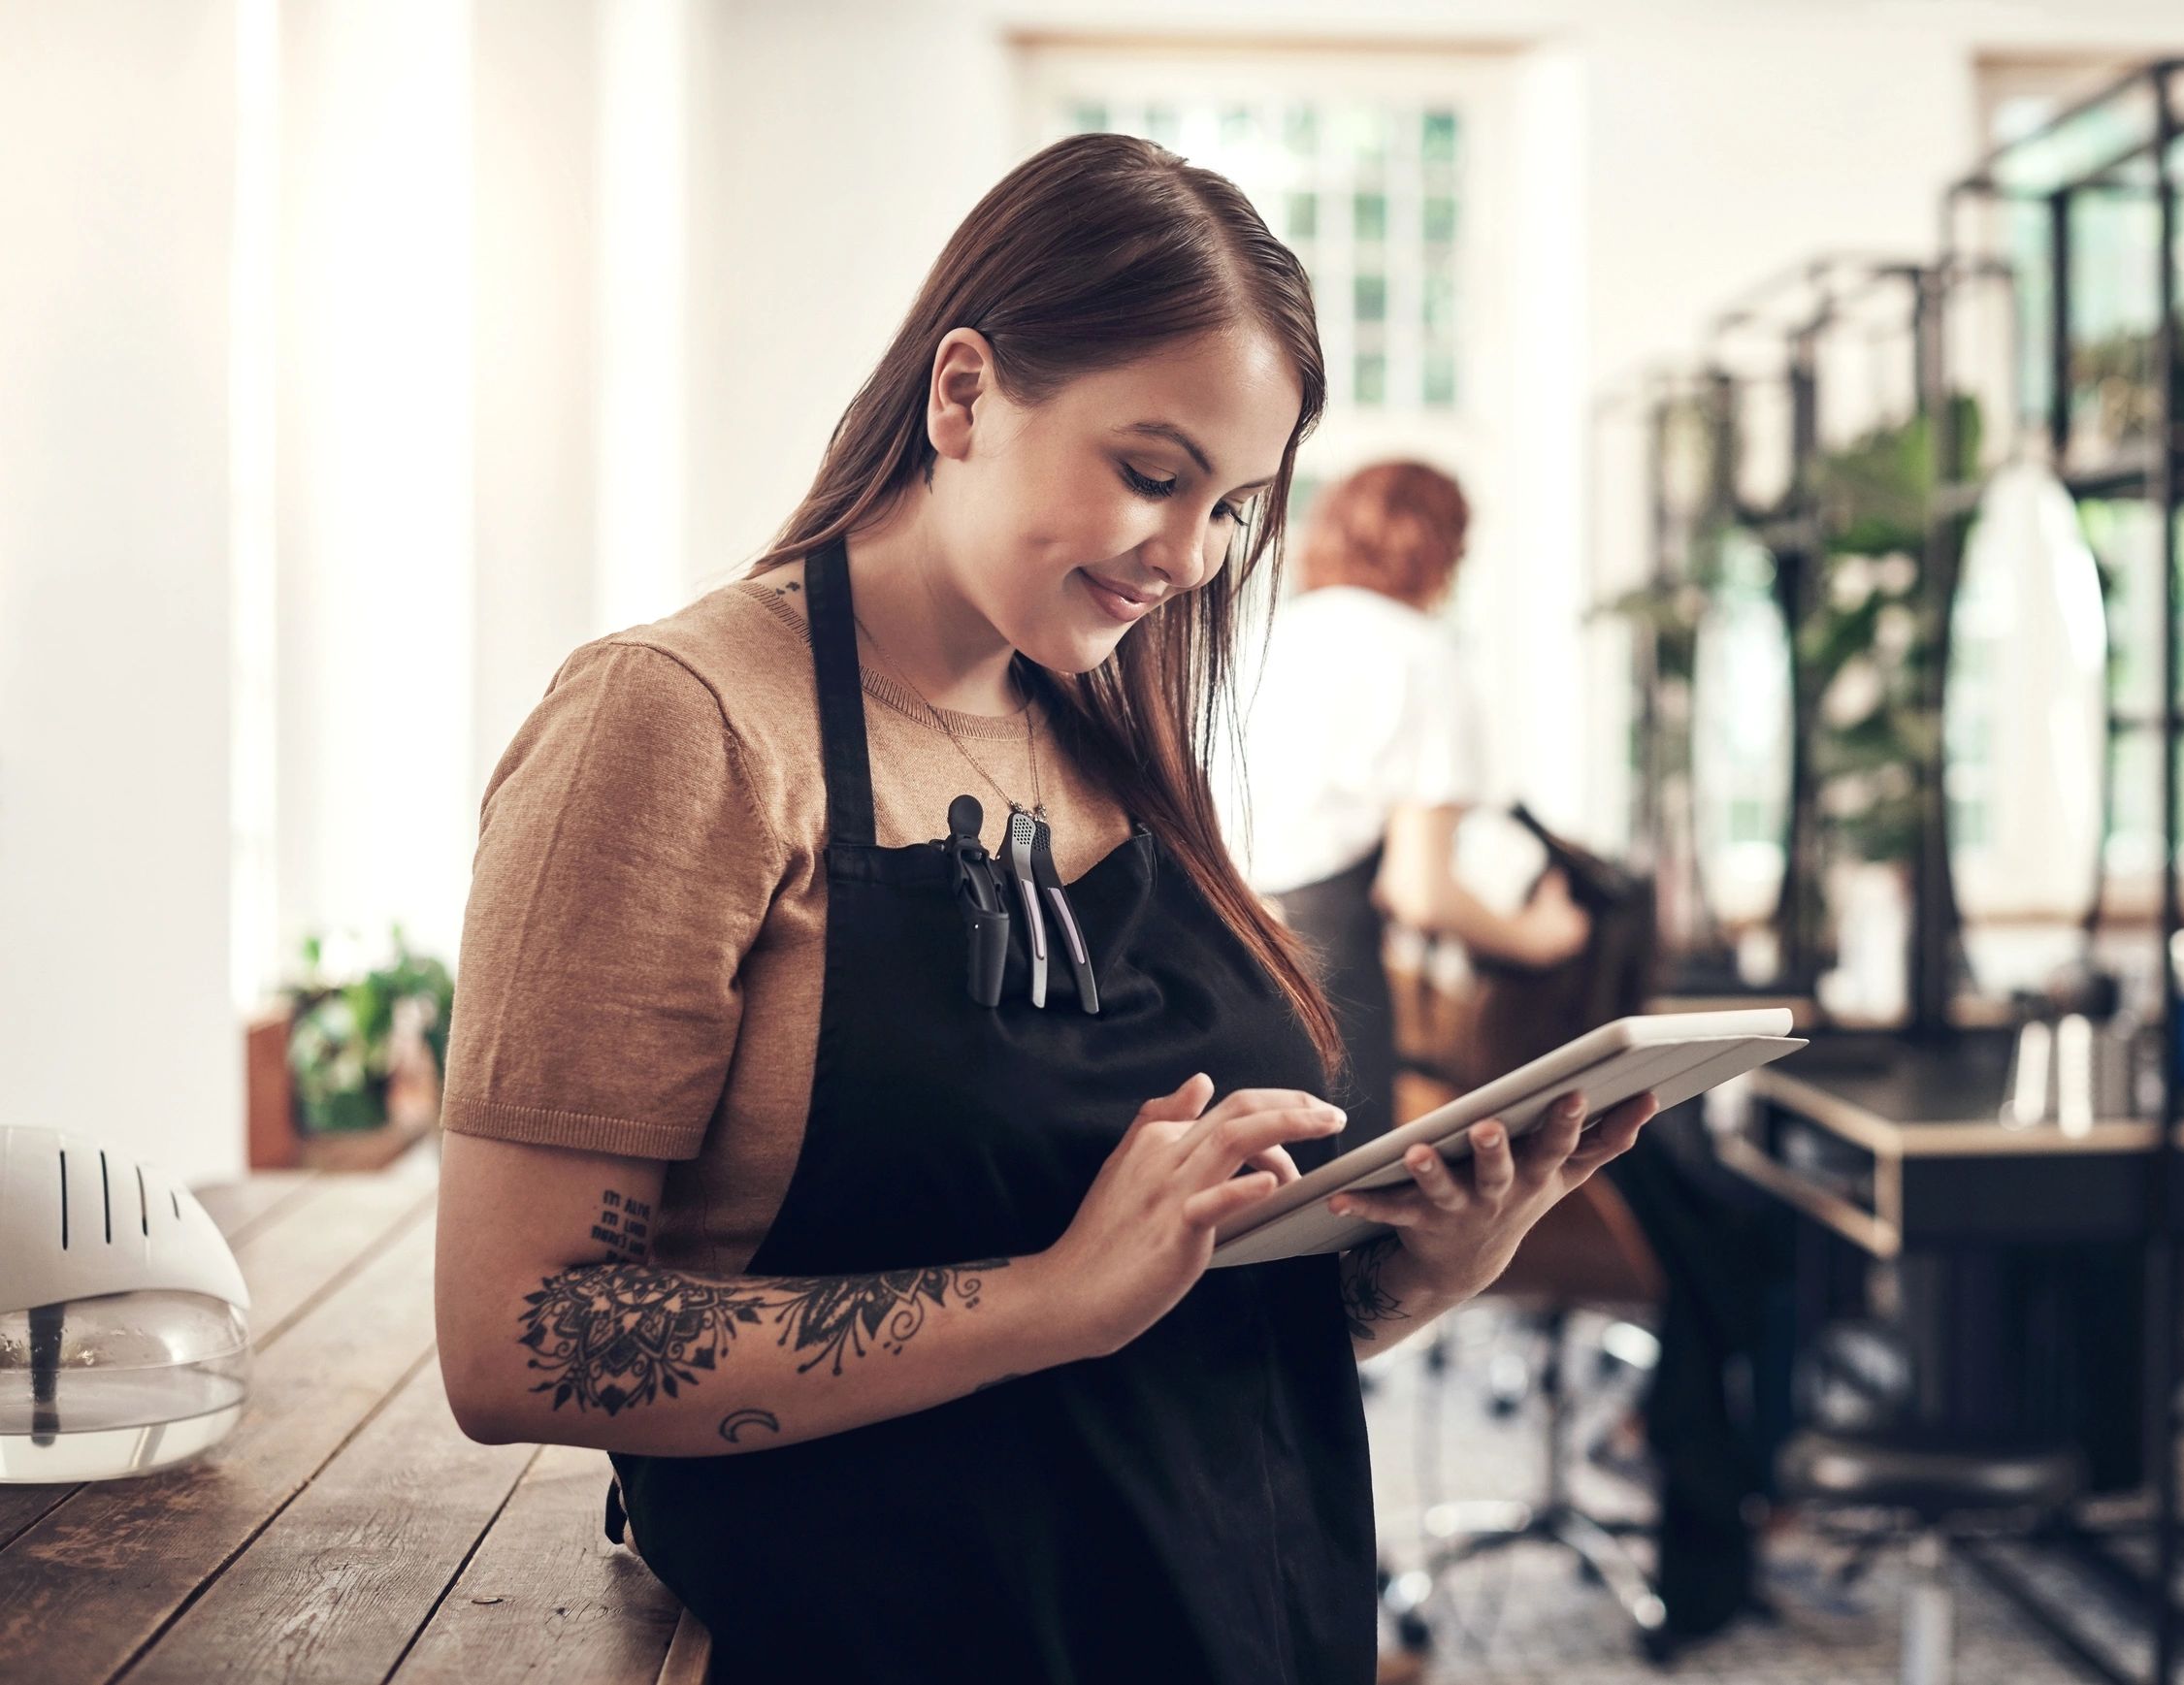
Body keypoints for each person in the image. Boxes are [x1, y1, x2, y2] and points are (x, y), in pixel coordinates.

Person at [430, 132, 1663, 1685]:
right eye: (1153, 474)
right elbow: (520, 1337)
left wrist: (1430, 1261)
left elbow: (1177, 1323)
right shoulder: (679, 723)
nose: (1191, 557)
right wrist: (1042, 1303)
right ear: (962, 395)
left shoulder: (1109, 739)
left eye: (1232, 508)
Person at [1223, 462, 1591, 1150]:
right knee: (1340, 1205)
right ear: (1441, 550)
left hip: (1220, 951)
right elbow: (1419, 889)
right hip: (1325, 970)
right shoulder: (1419, 653)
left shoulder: (1267, 635)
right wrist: (1539, 937)